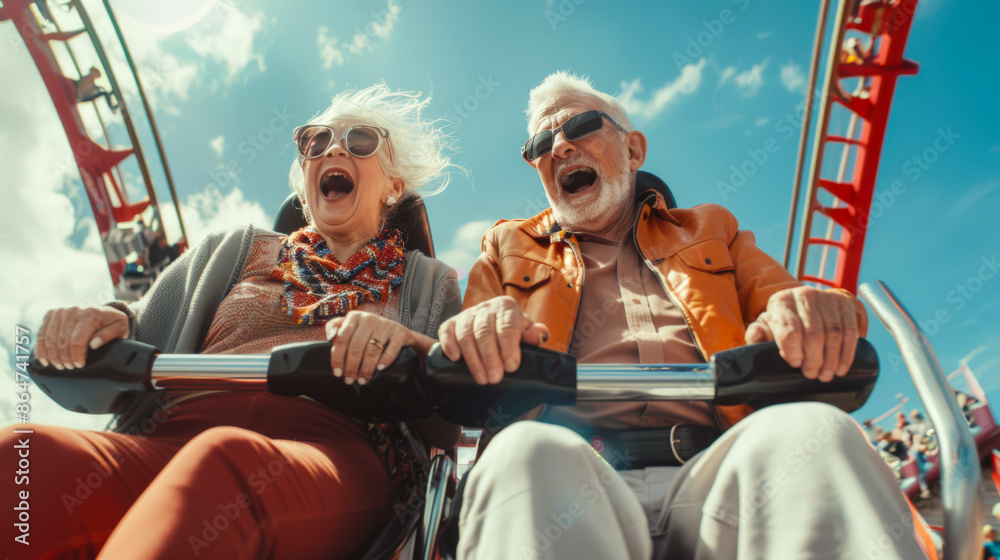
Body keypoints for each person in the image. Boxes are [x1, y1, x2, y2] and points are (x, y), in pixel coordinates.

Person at [438, 72, 932, 559]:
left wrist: (813, 309)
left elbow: (789, 302)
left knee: (812, 433)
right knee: (522, 454)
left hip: (727, 470)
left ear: (633, 150)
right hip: (572, 477)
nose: (559, 148)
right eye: (540, 143)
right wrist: (476, 331)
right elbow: (467, 340)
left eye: (579, 126)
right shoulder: (505, 248)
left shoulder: (712, 229)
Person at [2, 84, 461, 559]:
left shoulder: (426, 282)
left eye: (361, 140)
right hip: (176, 432)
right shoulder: (233, 250)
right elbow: (142, 326)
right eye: (315, 142)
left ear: (394, 185)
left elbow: (449, 422)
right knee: (23, 456)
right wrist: (103, 320)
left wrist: (407, 345)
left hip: (333, 448)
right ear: (306, 177)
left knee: (223, 466)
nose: (335, 148)